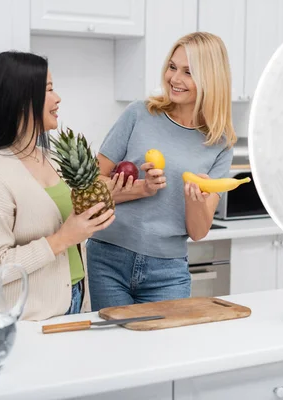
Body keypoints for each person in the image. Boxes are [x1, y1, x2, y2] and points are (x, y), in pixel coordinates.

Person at [87, 32, 236, 311]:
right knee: (111, 350)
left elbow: (198, 231)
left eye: (189, 72)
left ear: (211, 79)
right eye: (172, 67)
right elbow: (91, 186)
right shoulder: (139, 114)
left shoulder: (220, 143)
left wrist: (195, 201)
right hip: (108, 257)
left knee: (168, 352)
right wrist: (139, 188)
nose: (175, 79)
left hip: (167, 272)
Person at [0, 51, 115, 321]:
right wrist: (61, 240)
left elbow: (71, 231)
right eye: (48, 89)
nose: (57, 98)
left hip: (75, 303)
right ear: (21, 99)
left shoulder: (53, 159)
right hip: (27, 318)